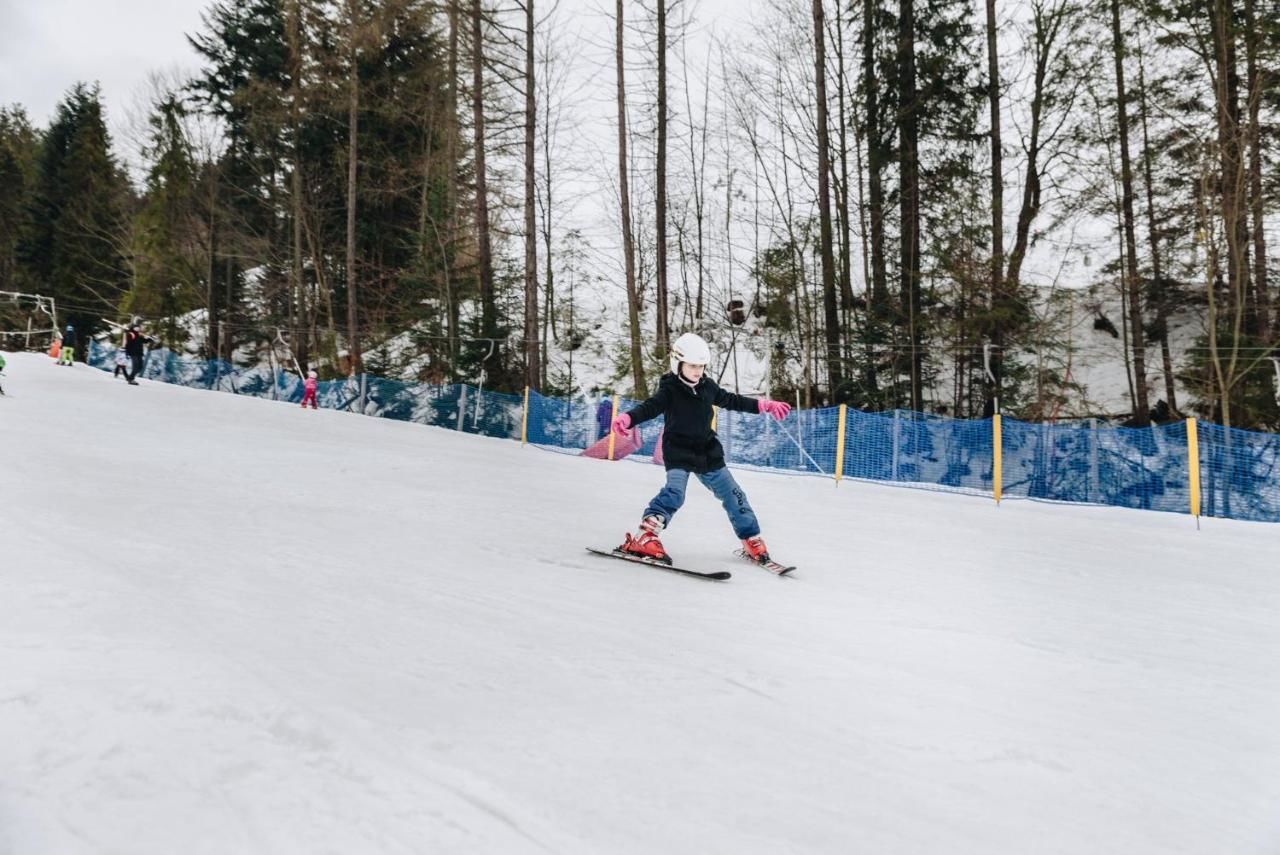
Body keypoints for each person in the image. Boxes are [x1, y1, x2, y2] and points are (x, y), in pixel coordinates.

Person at [610, 332, 791, 565]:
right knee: (675, 493)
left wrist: (764, 405)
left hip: (707, 451)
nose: (698, 371)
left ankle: (751, 539)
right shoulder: (670, 390)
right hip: (679, 451)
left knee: (734, 495)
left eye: (701, 366)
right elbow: (650, 407)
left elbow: (731, 400)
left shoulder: (707, 386)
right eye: (693, 366)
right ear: (678, 364)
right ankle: (645, 536)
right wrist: (628, 418)